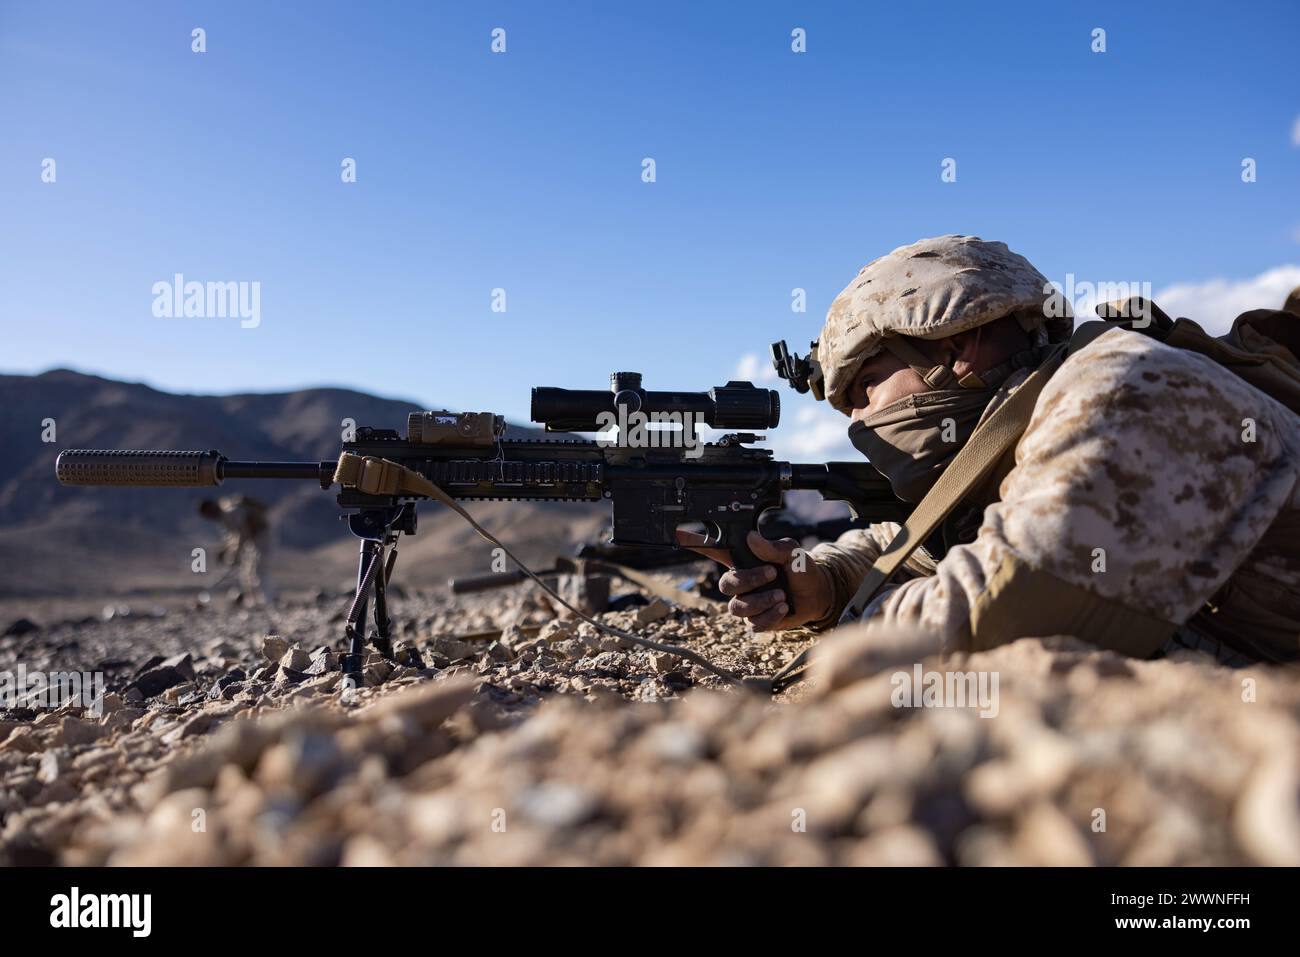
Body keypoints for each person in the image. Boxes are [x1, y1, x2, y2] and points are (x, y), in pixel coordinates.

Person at [681, 235, 1300, 664]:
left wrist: (859, 624)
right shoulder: (1027, 430)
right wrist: (823, 584)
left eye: (865, 389)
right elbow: (935, 546)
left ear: (959, 349)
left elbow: (999, 608)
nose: (861, 423)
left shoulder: (1121, 390)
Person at [198, 494, 276, 606]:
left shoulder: (230, 511)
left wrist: (235, 554)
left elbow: (242, 532)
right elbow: (235, 536)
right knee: (247, 572)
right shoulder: (225, 516)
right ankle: (254, 602)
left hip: (262, 538)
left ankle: (267, 601)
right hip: (253, 542)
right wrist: (228, 551)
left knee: (259, 571)